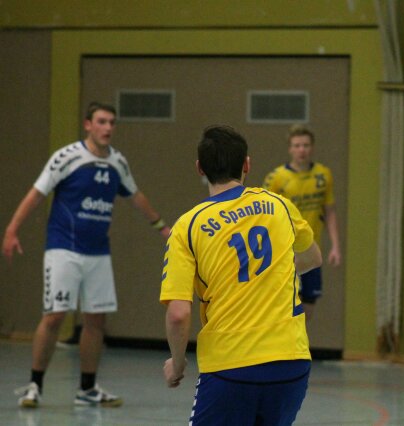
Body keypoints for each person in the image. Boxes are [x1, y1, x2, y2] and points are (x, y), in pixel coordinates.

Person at [3, 102, 171, 408]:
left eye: (112, 122)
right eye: (102, 121)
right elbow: (37, 193)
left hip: (98, 253)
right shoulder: (67, 157)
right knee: (55, 316)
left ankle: (87, 389)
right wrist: (12, 230)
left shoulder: (117, 162)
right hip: (63, 248)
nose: (108, 128)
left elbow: (136, 196)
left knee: (96, 320)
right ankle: (34, 385)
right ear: (88, 125)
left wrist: (162, 228)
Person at [161, 125, 321, 425]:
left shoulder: (187, 226)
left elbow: (178, 314)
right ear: (247, 164)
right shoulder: (278, 205)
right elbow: (313, 258)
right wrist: (273, 273)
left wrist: (178, 365)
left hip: (230, 365)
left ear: (200, 169)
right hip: (291, 362)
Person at [262, 124, 340, 320]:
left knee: (308, 307)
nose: (301, 150)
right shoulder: (277, 178)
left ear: (312, 147)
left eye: (305, 145)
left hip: (312, 250)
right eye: (297, 146)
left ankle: (299, 341)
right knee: (285, 306)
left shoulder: (323, 175)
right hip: (286, 252)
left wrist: (335, 247)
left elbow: (329, 211)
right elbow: (264, 216)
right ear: (290, 149)